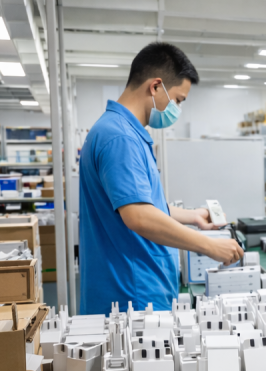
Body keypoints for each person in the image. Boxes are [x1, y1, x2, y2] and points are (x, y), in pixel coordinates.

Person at [78, 42, 243, 315]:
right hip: (131, 296)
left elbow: (141, 204)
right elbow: (140, 217)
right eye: (178, 100)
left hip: (134, 291)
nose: (176, 109)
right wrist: (210, 246)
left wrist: (193, 216)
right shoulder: (120, 138)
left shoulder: (120, 131)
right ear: (155, 87)